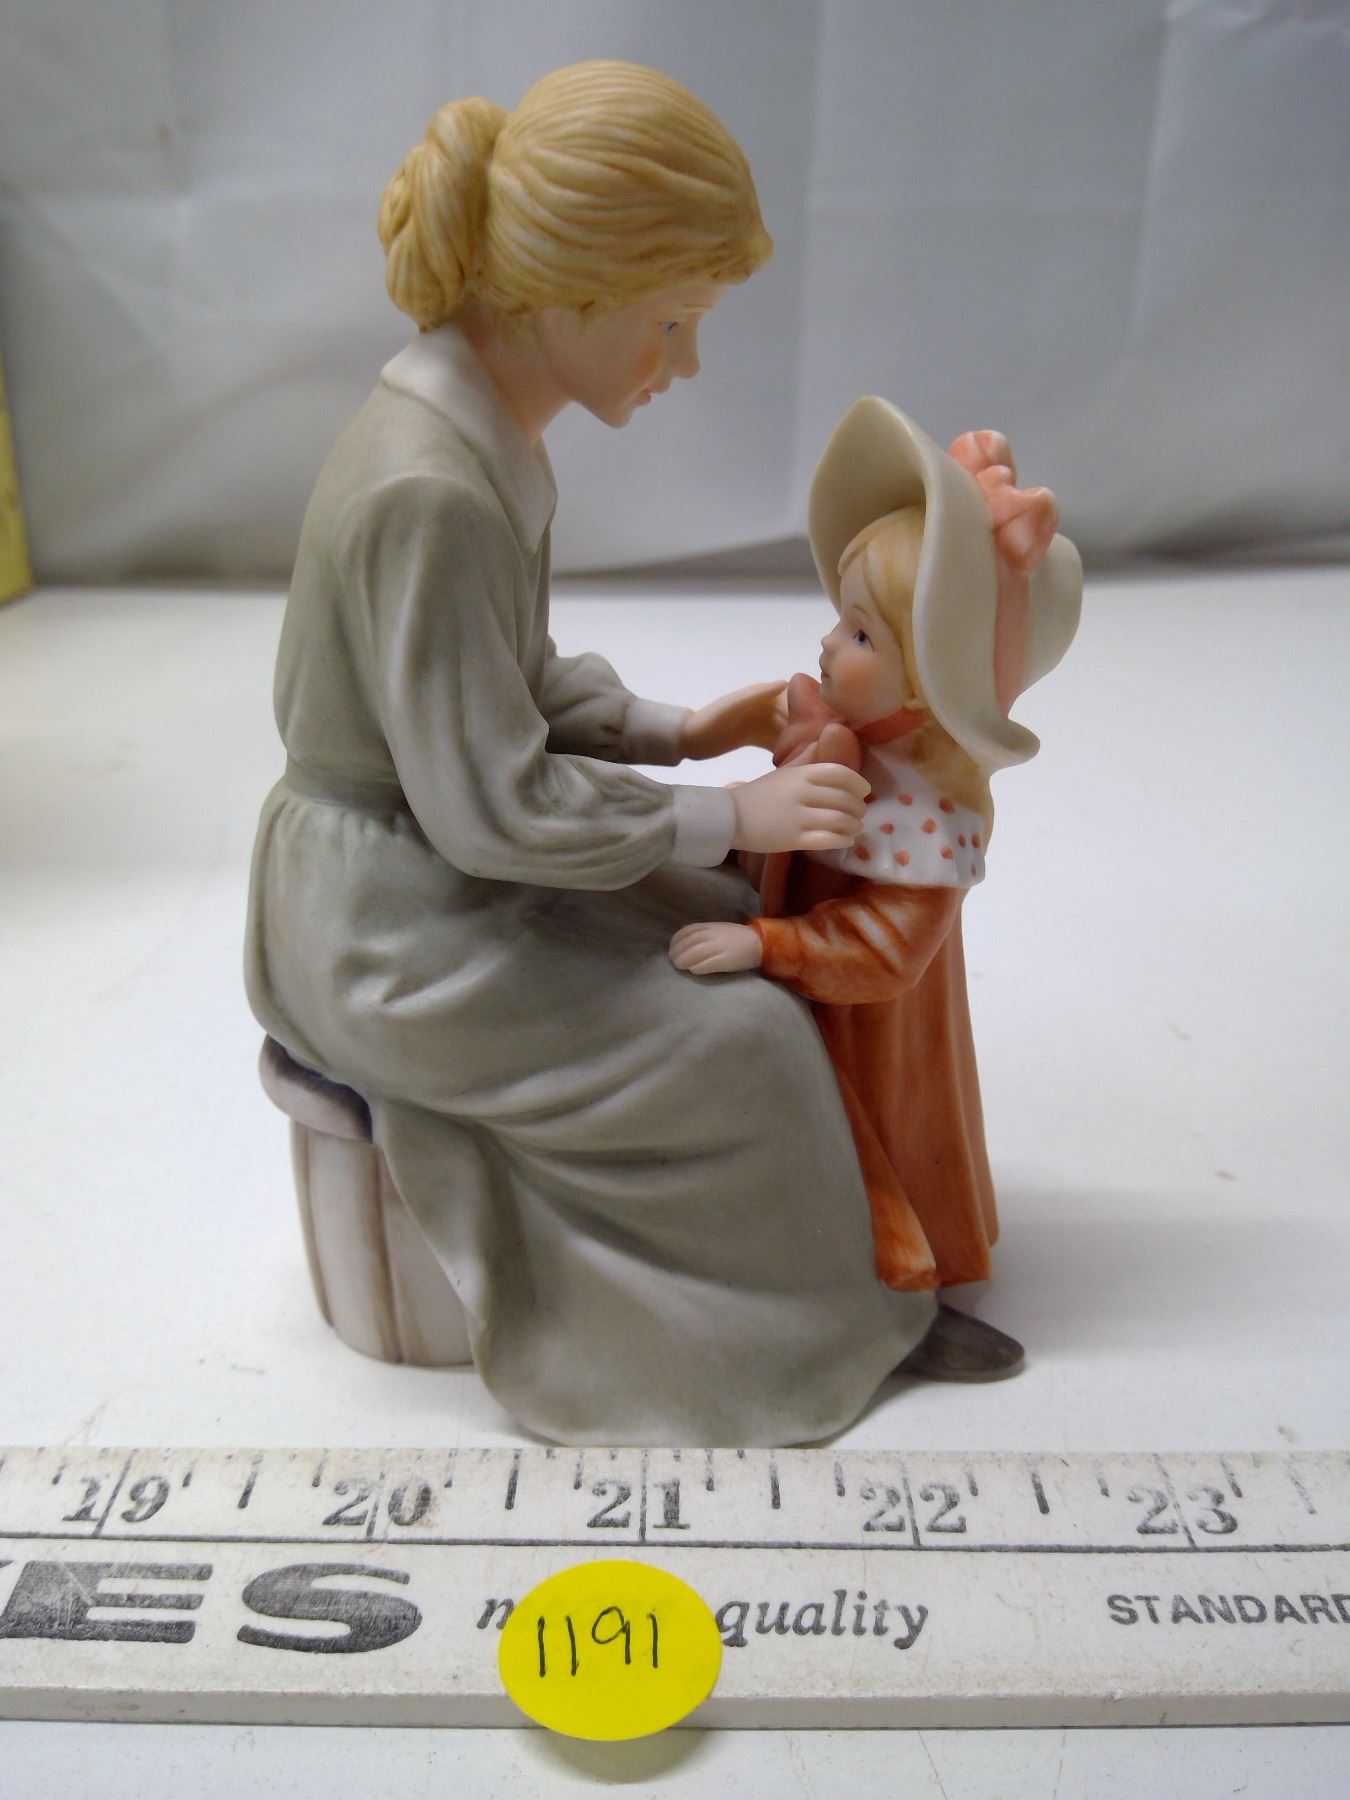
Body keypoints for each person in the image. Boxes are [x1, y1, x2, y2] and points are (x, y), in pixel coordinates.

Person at [245, 64, 938, 1445]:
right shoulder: (430, 490)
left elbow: (510, 688)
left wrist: (687, 732)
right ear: (563, 299)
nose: (684, 365)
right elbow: (489, 806)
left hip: (433, 868)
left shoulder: (482, 442)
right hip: (383, 923)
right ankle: (772, 1348)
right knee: (743, 1037)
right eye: (670, 321)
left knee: (732, 921)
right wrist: (730, 809)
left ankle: (825, 1284)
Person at [671, 399, 1082, 1373]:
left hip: (869, 1026)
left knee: (868, 1140)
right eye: (840, 619)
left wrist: (767, 944)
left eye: (860, 636)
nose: (827, 646)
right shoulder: (838, 733)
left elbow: (886, 952)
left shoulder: (927, 820)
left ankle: (890, 1294)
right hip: (802, 977)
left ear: (928, 685)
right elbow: (759, 765)